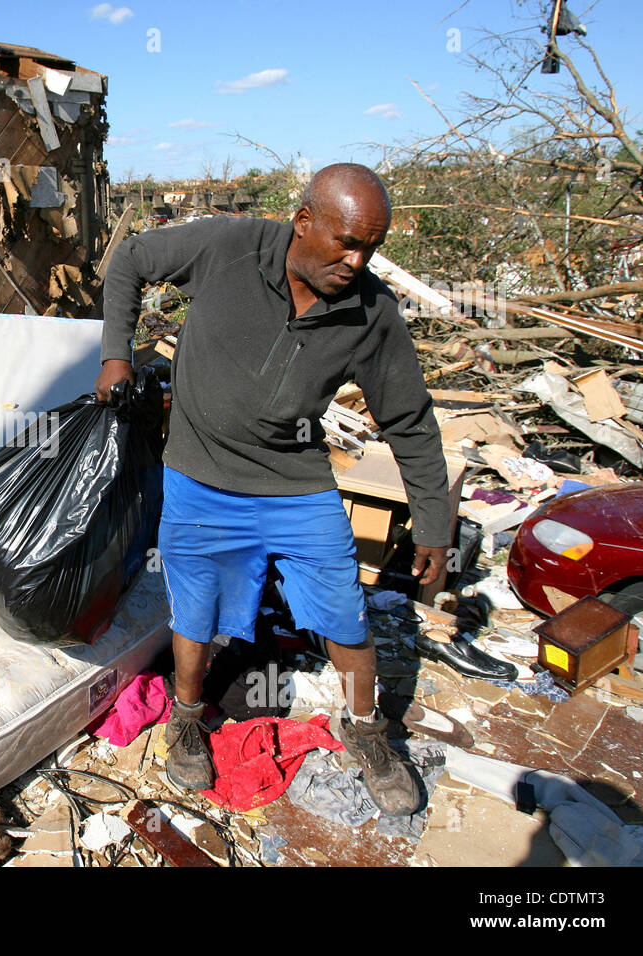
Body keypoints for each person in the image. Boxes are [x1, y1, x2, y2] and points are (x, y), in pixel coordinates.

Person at [97, 164, 450, 815]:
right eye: (345, 241)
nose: (357, 259)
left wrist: (433, 521)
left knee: (345, 612)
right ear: (304, 221)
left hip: (296, 486)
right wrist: (115, 353)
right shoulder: (227, 247)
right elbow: (132, 260)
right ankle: (187, 716)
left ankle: (367, 732)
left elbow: (409, 419)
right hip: (200, 477)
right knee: (195, 613)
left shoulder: (371, 313)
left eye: (370, 246)